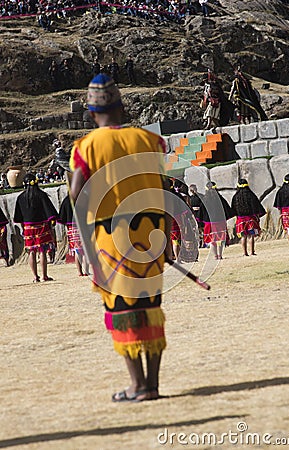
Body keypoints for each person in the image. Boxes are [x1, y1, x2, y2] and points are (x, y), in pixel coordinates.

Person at [69, 73, 171, 402]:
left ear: (90, 112)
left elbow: (76, 195)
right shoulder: (150, 140)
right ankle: (152, 384)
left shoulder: (86, 147)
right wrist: (167, 239)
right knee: (151, 308)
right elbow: (165, 190)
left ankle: (137, 385)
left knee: (121, 311)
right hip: (151, 235)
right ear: (121, 107)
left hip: (112, 238)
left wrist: (86, 249)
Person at [14, 173, 58, 282]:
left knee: (31, 251)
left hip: (28, 228)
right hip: (41, 226)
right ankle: (44, 276)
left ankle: (35, 277)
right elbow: (50, 212)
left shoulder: (20, 198)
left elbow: (18, 217)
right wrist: (51, 224)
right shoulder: (41, 195)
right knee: (42, 250)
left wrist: (24, 227)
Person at [199, 181, 233, 260]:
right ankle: (220, 255)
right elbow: (226, 209)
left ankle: (215, 256)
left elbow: (202, 212)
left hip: (210, 223)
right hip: (220, 222)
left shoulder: (205, 199)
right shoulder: (220, 198)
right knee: (220, 239)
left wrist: (202, 220)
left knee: (212, 240)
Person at [231, 179, 266, 256]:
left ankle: (245, 253)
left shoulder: (235, 197)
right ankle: (252, 252)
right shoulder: (251, 195)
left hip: (240, 219)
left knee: (243, 237)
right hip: (251, 219)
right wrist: (258, 216)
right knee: (251, 236)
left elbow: (233, 209)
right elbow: (257, 206)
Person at [58, 195, 89, 275]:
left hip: (71, 227)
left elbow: (62, 217)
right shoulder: (83, 198)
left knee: (76, 250)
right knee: (85, 250)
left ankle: (79, 272)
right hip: (83, 225)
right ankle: (86, 271)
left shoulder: (66, 200)